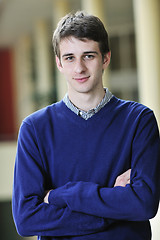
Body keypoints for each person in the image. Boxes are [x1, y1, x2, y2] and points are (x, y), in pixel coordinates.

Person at [12, 11, 160, 240]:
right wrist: (115, 203)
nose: (79, 68)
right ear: (59, 63)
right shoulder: (34, 129)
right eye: (70, 57)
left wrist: (61, 195)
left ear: (106, 59)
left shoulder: (139, 120)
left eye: (88, 56)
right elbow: (26, 219)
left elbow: (144, 204)